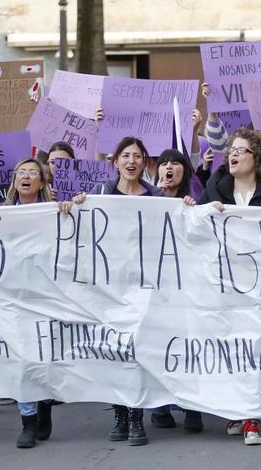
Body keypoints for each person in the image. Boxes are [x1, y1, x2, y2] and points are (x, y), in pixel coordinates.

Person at [198, 128, 261, 445]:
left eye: (242, 150)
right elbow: (191, 226)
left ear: (259, 157)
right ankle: (239, 409)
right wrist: (200, 210)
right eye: (231, 149)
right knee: (234, 346)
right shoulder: (215, 187)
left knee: (255, 346)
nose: (233, 154)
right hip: (226, 283)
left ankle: (251, 417)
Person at [72, 137, 161, 446]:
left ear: (144, 163)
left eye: (138, 155)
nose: (131, 161)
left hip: (143, 285)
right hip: (108, 286)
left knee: (136, 350)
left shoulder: (156, 197)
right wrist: (74, 206)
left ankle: (136, 416)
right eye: (126, 155)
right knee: (115, 351)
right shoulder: (100, 195)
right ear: (116, 162)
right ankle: (120, 414)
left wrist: (185, 207)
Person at [0, 157, 61, 448]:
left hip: (47, 298)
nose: (25, 176)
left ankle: (45, 405)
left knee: (45, 357)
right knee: (21, 360)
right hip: (13, 298)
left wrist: (70, 210)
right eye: (20, 172)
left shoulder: (54, 212)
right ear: (14, 181)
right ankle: (27, 420)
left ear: (42, 182)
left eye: (32, 173)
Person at [150, 148, 204, 433]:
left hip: (189, 286)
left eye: (175, 163)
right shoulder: (146, 199)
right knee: (157, 345)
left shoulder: (197, 199)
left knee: (188, 344)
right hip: (155, 287)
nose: (169, 168)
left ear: (185, 170)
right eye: (164, 163)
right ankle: (159, 407)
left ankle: (192, 407)